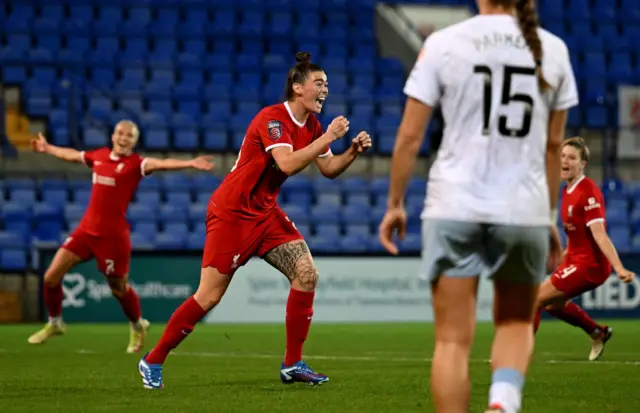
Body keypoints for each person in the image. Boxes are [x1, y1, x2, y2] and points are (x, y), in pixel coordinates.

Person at [378, 0, 577, 412]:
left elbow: (410, 137)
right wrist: (549, 215)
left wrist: (395, 203)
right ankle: (503, 399)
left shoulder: (444, 42)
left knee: (451, 340)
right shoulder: (553, 49)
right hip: (523, 209)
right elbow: (554, 147)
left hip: (453, 205)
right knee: (516, 322)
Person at [138, 52, 372, 389]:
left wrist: (351, 151)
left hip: (265, 213)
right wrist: (330, 137)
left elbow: (329, 169)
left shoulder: (315, 126)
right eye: (319, 84)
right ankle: (152, 360)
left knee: (306, 274)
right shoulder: (273, 118)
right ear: (297, 87)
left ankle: (292, 364)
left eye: (327, 85)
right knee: (208, 297)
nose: (325, 90)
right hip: (232, 214)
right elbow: (287, 164)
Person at [28, 121, 214, 353]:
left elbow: (160, 164)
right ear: (113, 136)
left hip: (112, 238)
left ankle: (138, 325)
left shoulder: (135, 164)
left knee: (118, 289)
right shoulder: (99, 156)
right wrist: (48, 149)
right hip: (85, 232)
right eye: (120, 133)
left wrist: (189, 162)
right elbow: (73, 155)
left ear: (134, 141)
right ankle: (55, 323)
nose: (124, 138)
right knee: (50, 278)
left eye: (129, 135)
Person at [533, 137, 634, 360]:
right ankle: (597, 332)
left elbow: (599, 234)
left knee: (536, 299)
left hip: (590, 265)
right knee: (552, 306)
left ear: (582, 165)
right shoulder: (567, 191)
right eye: (562, 156)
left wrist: (619, 268)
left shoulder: (588, 192)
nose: (565, 161)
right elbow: (577, 238)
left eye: (571, 157)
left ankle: (517, 354)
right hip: (576, 259)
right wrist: (563, 258)